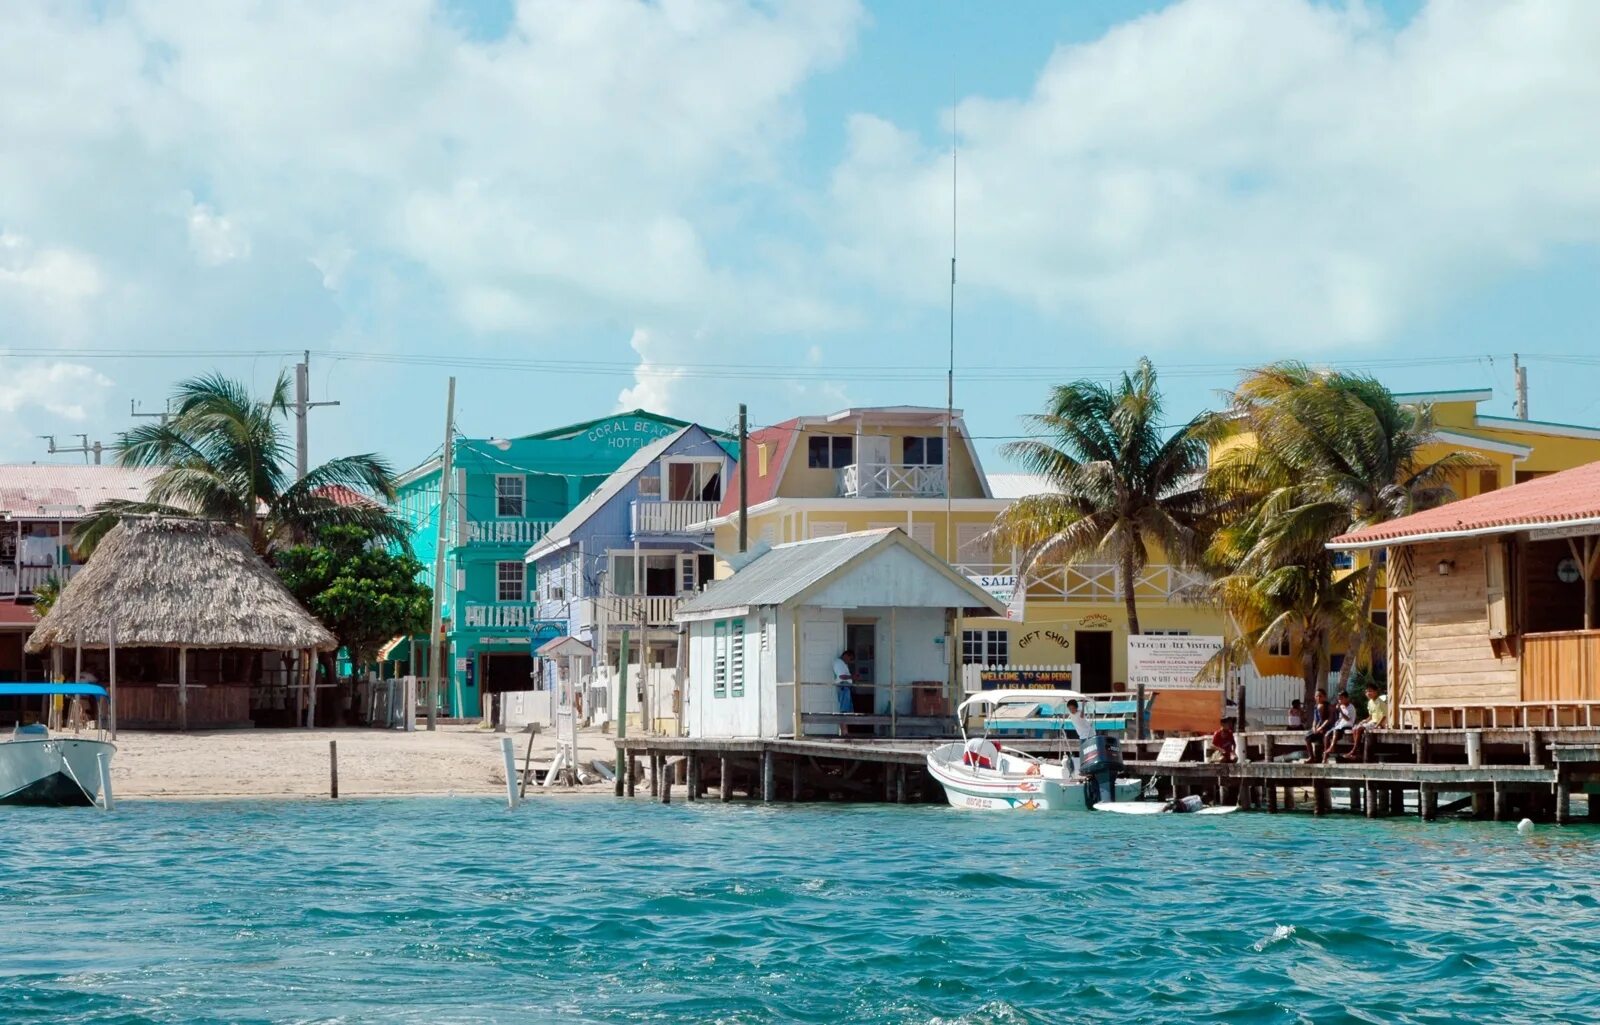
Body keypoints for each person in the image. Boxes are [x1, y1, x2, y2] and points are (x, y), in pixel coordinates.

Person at [1345, 683, 1389, 762]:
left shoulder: (1380, 702)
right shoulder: (1370, 702)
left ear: (1376, 692)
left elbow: (1384, 716)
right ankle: (1357, 752)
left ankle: (1354, 751)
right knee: (1355, 728)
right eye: (1367, 691)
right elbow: (1371, 716)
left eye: (1370, 691)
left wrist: (1378, 725)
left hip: (1378, 723)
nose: (1368, 693)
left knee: (1359, 729)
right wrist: (1364, 721)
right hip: (1372, 722)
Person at [1322, 691, 1358, 763]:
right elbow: (1340, 718)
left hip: (1348, 725)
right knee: (1326, 735)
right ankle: (1325, 756)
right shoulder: (1341, 706)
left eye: (1342, 699)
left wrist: (1340, 710)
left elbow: (1348, 719)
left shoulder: (1351, 707)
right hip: (1340, 725)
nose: (1340, 701)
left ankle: (1332, 747)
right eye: (1339, 699)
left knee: (1336, 731)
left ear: (1347, 698)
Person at [1064, 699, 1096, 774]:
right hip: (1082, 736)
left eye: (1072, 708)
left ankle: (1090, 768)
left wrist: (1083, 705)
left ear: (1076, 707)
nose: (1071, 710)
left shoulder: (1079, 713)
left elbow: (1082, 715)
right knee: (1082, 752)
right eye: (1069, 709)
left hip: (1089, 734)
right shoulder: (1071, 714)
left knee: (1089, 752)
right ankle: (1083, 768)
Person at [1304, 689, 1332, 761]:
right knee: (1307, 737)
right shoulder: (1316, 706)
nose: (1318, 698)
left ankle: (1324, 757)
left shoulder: (1327, 706)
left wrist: (1321, 728)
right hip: (1317, 728)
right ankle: (1311, 757)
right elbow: (1315, 719)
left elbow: (1328, 719)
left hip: (1326, 727)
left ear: (1324, 697)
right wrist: (1313, 727)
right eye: (1317, 696)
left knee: (1323, 738)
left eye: (1320, 696)